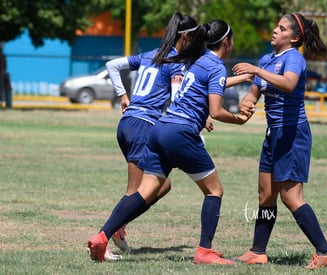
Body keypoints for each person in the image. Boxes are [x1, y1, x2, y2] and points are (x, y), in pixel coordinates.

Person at [87, 19, 252, 264]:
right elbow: (216, 111)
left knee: (145, 191)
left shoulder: (192, 59)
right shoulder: (213, 65)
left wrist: (245, 78)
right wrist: (238, 120)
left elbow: (199, 87)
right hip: (178, 131)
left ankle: (102, 236)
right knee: (214, 190)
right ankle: (204, 250)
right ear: (227, 42)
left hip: (160, 128)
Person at [232, 13, 327, 270]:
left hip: (292, 133)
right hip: (273, 134)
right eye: (276, 26)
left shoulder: (294, 58)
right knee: (266, 195)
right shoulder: (267, 59)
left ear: (294, 37)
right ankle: (258, 251)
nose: (274, 30)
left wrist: (256, 71)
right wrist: (247, 101)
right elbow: (255, 91)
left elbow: (289, 84)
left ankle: (325, 251)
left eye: (281, 28)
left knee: (291, 198)